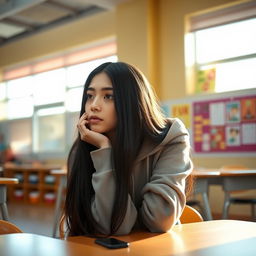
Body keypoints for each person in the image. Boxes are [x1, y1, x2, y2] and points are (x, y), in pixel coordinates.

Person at [64, 62, 193, 236]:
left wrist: (132, 220)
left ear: (132, 101)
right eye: (89, 96)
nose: (93, 105)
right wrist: (105, 151)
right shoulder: (82, 151)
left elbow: (160, 220)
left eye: (108, 96)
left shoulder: (171, 138)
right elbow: (111, 226)